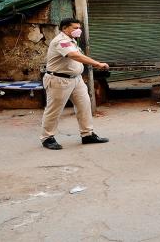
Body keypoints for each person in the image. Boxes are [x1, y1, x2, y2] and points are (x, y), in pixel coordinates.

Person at [40, 18, 110, 150]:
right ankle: (47, 137)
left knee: (84, 105)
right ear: (65, 28)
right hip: (59, 80)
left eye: (79, 28)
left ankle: (87, 134)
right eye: (75, 28)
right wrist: (97, 64)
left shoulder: (71, 40)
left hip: (76, 79)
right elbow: (74, 55)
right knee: (54, 109)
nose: (79, 31)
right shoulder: (61, 41)